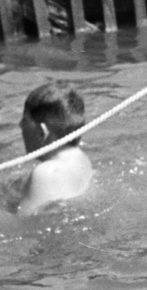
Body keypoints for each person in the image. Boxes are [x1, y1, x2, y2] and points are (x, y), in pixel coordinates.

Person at [17, 84, 95, 216]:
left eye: (24, 121)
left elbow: (20, 225)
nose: (20, 126)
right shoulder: (81, 159)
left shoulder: (45, 173)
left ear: (42, 132)